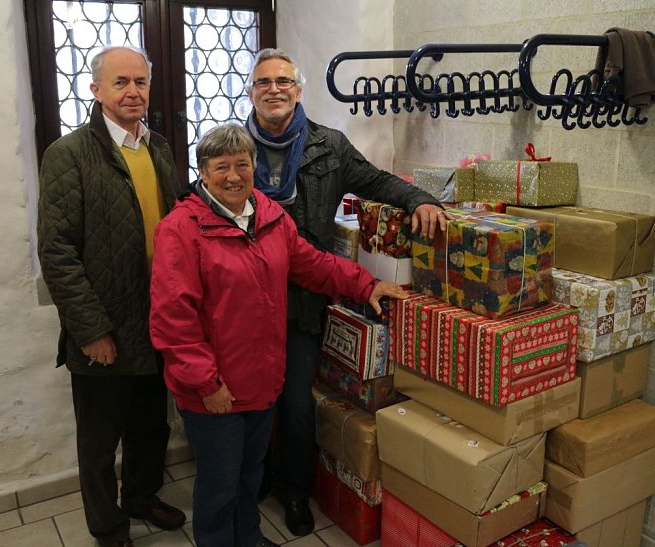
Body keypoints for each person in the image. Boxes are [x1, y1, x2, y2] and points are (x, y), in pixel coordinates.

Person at [148, 123, 407, 547]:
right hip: (215, 390)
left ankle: (248, 539)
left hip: (261, 379)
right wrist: (206, 383)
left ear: (254, 167)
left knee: (249, 476)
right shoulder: (181, 228)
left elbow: (314, 265)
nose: (233, 176)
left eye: (242, 164)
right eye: (221, 167)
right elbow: (173, 321)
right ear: (203, 172)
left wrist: (367, 284)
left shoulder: (270, 216)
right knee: (219, 486)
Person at [244, 47, 448, 536]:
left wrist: (420, 199)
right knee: (250, 400)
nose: (274, 89)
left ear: (298, 91)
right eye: (264, 82)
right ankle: (255, 479)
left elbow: (375, 181)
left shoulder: (328, 146)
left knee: (296, 405)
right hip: (246, 300)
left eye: (283, 81)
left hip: (304, 297)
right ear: (251, 93)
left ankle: (294, 490)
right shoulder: (234, 147)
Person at [37, 45, 186, 547]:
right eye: (121, 82)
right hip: (105, 325)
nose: (133, 92)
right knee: (100, 442)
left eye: (141, 82)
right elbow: (57, 252)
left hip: (156, 319)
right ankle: (108, 526)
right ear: (96, 89)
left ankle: (141, 497)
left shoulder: (158, 147)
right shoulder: (69, 154)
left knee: (150, 426)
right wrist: (91, 330)